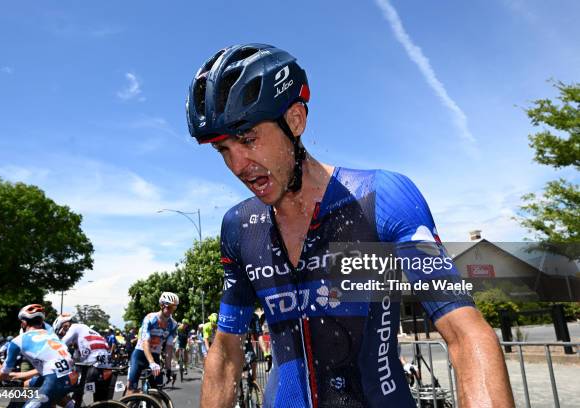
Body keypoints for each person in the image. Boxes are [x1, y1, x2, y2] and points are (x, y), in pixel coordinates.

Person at [186, 43, 514, 407]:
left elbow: (465, 333)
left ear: (294, 120)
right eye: (224, 151)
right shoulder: (239, 227)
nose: (238, 165)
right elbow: (227, 351)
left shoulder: (381, 198)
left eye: (247, 139)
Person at [0, 304, 74, 408]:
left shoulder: (18, 340)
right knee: (27, 384)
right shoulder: (52, 335)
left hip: (54, 380)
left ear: (23, 323)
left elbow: (1, 376)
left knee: (50, 392)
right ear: (41, 322)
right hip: (72, 376)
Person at [126, 292, 179, 394]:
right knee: (131, 389)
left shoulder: (173, 324)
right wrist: (151, 362)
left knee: (157, 391)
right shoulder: (150, 318)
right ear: (161, 305)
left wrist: (168, 368)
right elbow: (145, 341)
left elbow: (168, 348)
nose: (170, 311)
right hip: (140, 354)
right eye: (169, 307)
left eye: (174, 308)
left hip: (155, 355)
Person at [53, 313, 112, 402]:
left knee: (71, 395)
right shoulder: (89, 331)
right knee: (100, 403)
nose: (62, 335)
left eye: (61, 334)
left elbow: (60, 346)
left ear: (65, 326)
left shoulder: (75, 327)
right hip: (107, 368)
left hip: (93, 368)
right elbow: (75, 359)